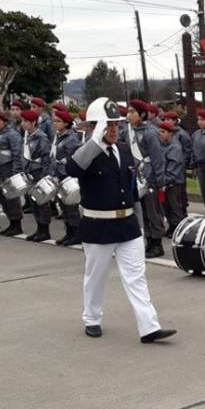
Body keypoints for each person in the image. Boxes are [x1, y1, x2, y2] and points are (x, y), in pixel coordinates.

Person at [65, 97, 176, 344]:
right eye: (108, 125)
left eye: (116, 124)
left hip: (126, 224)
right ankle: (92, 318)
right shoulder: (86, 154)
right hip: (98, 226)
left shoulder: (124, 149)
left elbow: (129, 185)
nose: (114, 130)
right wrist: (95, 140)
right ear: (95, 128)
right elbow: (71, 169)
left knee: (136, 277)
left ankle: (149, 327)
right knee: (96, 276)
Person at [122, 99, 166, 258]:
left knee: (153, 211)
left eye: (133, 112)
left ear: (141, 114)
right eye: (128, 111)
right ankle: (149, 240)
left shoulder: (150, 132)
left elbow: (158, 158)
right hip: (136, 176)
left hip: (150, 177)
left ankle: (157, 243)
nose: (129, 115)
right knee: (143, 211)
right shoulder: (127, 131)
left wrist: (160, 180)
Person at [0, 111, 25, 236]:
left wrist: (15, 172)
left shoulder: (12, 134)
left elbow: (17, 154)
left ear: (5, 122)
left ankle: (16, 225)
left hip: (9, 169)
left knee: (11, 198)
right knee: (2, 197)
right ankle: (11, 222)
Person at [50, 109, 83, 246]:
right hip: (58, 173)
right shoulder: (58, 136)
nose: (55, 124)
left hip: (67, 175)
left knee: (71, 207)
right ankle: (68, 233)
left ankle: (76, 234)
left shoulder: (71, 138)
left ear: (67, 123)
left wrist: (65, 163)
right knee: (63, 206)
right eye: (55, 121)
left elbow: (75, 156)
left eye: (58, 121)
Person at [20, 110, 53, 242]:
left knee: (41, 201)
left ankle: (45, 230)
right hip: (30, 172)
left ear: (33, 122)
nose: (23, 124)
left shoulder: (41, 137)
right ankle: (39, 228)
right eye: (22, 121)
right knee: (33, 201)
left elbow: (46, 158)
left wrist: (45, 176)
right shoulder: (27, 136)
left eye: (26, 121)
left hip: (39, 172)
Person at [158, 121, 187, 236]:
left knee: (175, 206)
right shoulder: (162, 146)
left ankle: (178, 228)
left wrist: (165, 180)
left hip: (173, 183)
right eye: (159, 131)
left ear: (171, 134)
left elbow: (173, 168)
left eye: (163, 132)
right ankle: (172, 226)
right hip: (165, 181)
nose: (160, 134)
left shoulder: (175, 148)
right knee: (166, 207)